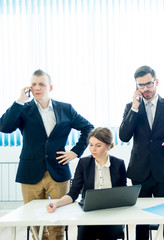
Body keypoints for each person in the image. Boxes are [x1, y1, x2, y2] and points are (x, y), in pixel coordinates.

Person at [0, 69, 94, 240]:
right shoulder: (23, 109)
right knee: (34, 223)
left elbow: (89, 128)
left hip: (58, 171)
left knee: (57, 222)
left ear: (50, 87)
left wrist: (75, 152)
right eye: (33, 84)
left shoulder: (65, 109)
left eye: (41, 84)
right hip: (30, 172)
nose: (37, 88)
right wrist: (20, 100)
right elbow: (4, 127)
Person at [119, 65, 164, 240]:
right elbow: (124, 136)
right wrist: (134, 107)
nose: (145, 89)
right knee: (141, 219)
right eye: (141, 85)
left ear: (156, 82)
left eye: (148, 84)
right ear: (136, 87)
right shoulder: (131, 107)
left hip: (163, 171)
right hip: (139, 172)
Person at [46, 127, 126, 240]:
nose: (93, 149)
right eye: (91, 145)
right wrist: (56, 203)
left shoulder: (119, 164)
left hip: (111, 213)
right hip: (89, 213)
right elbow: (73, 193)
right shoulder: (84, 163)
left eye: (98, 145)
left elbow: (123, 193)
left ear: (108, 146)